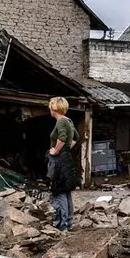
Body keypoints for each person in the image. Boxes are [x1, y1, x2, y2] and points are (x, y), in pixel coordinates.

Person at [46, 97, 79, 230]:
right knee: (66, 191)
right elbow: (76, 137)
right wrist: (67, 148)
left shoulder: (60, 121)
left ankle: (62, 224)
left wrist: (56, 150)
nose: (49, 109)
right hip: (67, 158)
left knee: (58, 191)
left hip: (59, 160)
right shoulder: (69, 121)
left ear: (54, 108)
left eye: (50, 107)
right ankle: (69, 222)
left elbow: (63, 137)